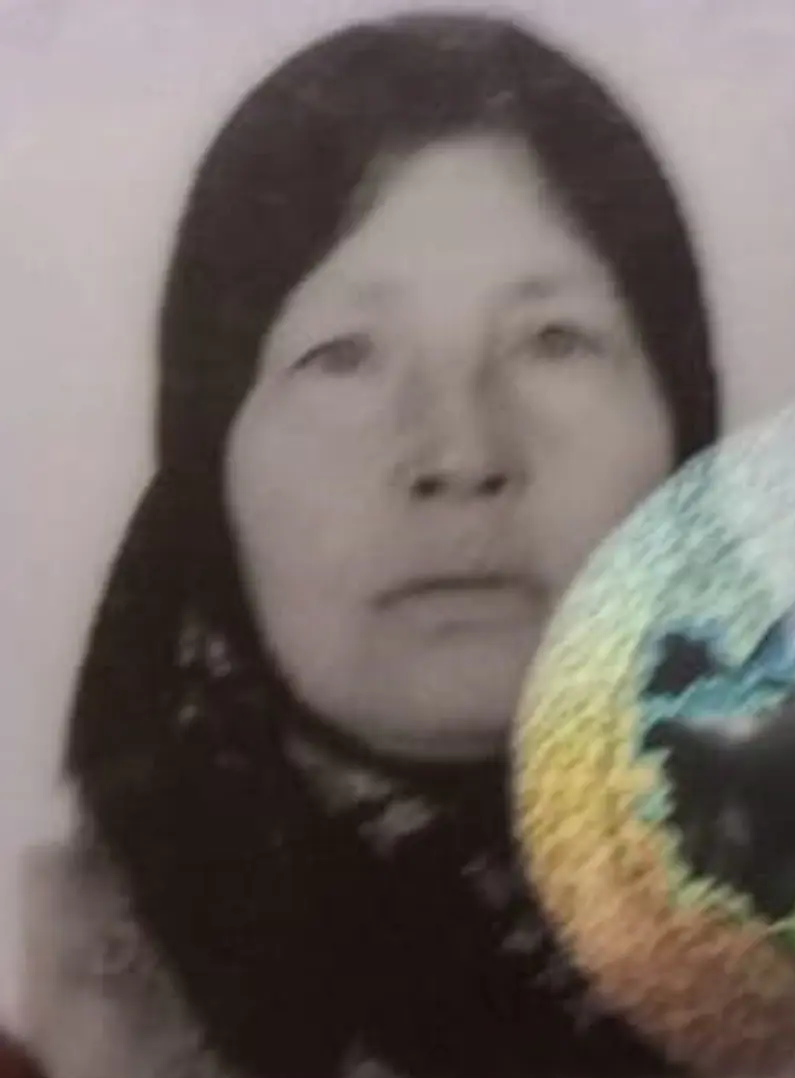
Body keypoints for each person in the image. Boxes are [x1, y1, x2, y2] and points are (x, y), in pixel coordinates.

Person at [28, 11, 720, 1078]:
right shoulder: (40, 1012)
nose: (461, 453)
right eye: (343, 356)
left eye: (553, 340)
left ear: (687, 429)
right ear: (208, 464)